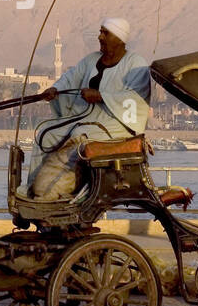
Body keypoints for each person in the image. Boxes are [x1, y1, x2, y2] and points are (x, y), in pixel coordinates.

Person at [27, 17, 151, 200]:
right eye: (100, 32)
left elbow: (135, 98)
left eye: (105, 33)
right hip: (84, 117)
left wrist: (100, 96)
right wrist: (55, 90)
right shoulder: (91, 60)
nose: (100, 37)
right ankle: (31, 190)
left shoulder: (136, 63)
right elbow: (70, 77)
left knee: (79, 135)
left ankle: (62, 194)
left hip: (116, 124)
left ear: (119, 38)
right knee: (46, 133)